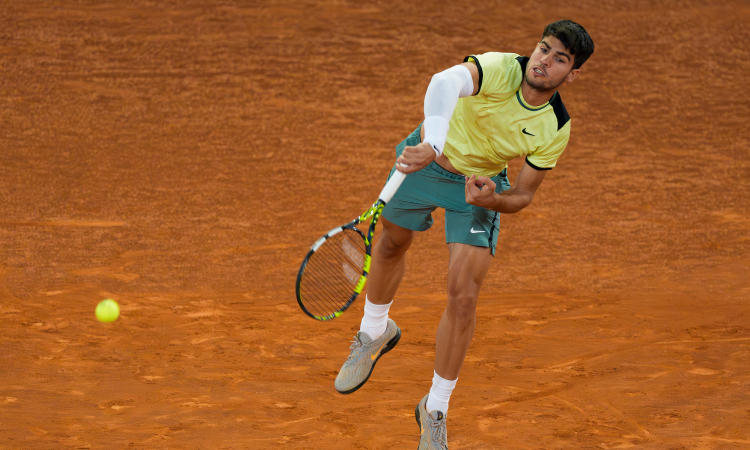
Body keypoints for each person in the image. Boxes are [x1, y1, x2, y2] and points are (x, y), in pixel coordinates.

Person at [334, 20, 595, 449]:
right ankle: (374, 330)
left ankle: (434, 408)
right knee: (392, 242)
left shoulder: (555, 125)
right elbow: (444, 82)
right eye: (543, 49)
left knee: (463, 294)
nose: (544, 61)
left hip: (478, 187)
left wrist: (493, 199)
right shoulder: (501, 68)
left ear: (573, 73)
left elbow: (524, 194)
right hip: (426, 158)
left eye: (559, 59)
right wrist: (433, 144)